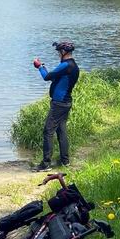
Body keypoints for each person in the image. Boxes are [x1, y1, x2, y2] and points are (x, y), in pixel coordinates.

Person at [32, 40, 79, 171]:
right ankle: (65, 161)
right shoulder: (73, 66)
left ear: (63, 52)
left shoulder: (65, 65)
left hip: (59, 104)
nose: (58, 54)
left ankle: (46, 164)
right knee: (61, 131)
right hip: (66, 103)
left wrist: (39, 66)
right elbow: (54, 78)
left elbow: (47, 77)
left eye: (59, 52)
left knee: (48, 131)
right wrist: (43, 67)